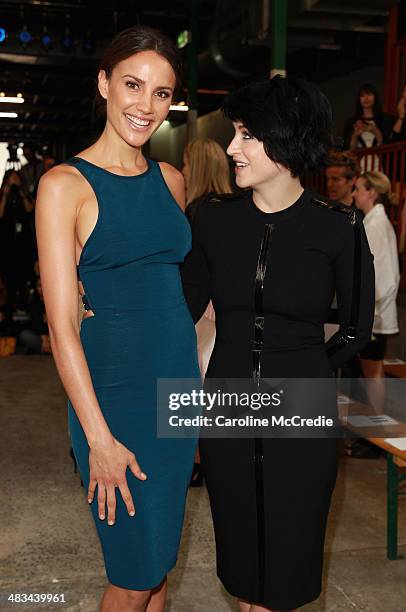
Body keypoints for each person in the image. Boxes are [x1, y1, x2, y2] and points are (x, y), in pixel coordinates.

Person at [182, 75, 374, 612]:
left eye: (246, 135)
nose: (232, 148)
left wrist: (305, 372)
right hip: (227, 411)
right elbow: (181, 312)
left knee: (288, 566)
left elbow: (358, 328)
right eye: (234, 134)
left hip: (303, 419)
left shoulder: (339, 227)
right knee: (243, 568)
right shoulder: (213, 220)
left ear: (286, 141)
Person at [35, 26, 200, 612]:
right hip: (113, 404)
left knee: (155, 570)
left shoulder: (173, 181)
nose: (146, 105)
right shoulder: (63, 186)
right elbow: (61, 326)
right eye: (133, 85)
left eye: (162, 93)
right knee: (132, 576)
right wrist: (99, 439)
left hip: (176, 399)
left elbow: (175, 297)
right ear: (104, 83)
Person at [182, 138, 233, 486]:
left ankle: (197, 461)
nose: (182, 170)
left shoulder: (198, 211)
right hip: (225, 315)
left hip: (204, 315)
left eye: (186, 163)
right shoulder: (238, 205)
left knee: (196, 390)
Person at [354, 171, 400, 410]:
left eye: (358, 189)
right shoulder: (373, 222)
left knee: (372, 373)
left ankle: (375, 428)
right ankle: (371, 428)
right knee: (371, 372)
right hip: (373, 312)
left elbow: (379, 277)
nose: (354, 194)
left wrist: (362, 309)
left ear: (371, 192)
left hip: (374, 314)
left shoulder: (376, 225)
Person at [0, 170, 35, 309]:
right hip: (7, 241)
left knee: (23, 275)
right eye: (12, 178)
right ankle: (8, 306)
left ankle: (23, 304)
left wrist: (21, 191)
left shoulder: (24, 194)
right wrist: (5, 194)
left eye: (16, 178)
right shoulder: (3, 194)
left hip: (23, 241)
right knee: (9, 276)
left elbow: (29, 209)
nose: (14, 181)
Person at [343, 83, 394, 152]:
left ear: (375, 97)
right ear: (359, 99)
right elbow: (348, 150)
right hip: (359, 162)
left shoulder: (386, 119)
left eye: (369, 94)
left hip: (380, 161)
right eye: (362, 95)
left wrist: (375, 131)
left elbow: (389, 145)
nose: (366, 98)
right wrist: (355, 135)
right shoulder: (351, 122)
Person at [18, 275, 51, 355]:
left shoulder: (55, 300)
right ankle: (45, 349)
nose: (42, 288)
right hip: (40, 336)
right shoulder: (33, 302)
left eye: (44, 284)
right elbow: (37, 322)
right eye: (39, 286)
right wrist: (44, 337)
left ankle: (50, 349)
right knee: (25, 335)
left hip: (55, 335)